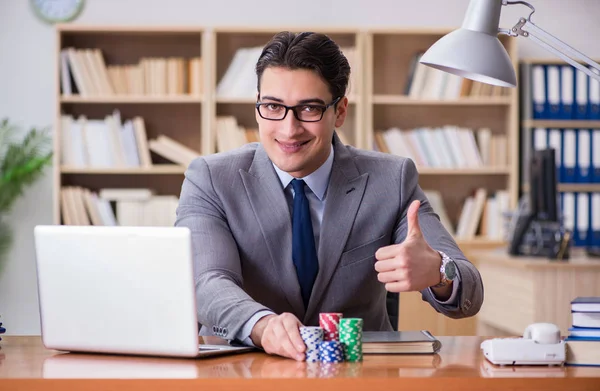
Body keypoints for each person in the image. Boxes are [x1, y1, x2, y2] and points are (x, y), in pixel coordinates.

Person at [175, 31, 484, 361]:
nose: (289, 128)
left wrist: (439, 271)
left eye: (309, 108)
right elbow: (206, 281)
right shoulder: (211, 178)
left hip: (358, 375)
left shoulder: (390, 179)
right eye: (273, 106)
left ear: (339, 112)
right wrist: (262, 325)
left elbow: (469, 291)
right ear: (258, 107)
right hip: (246, 370)